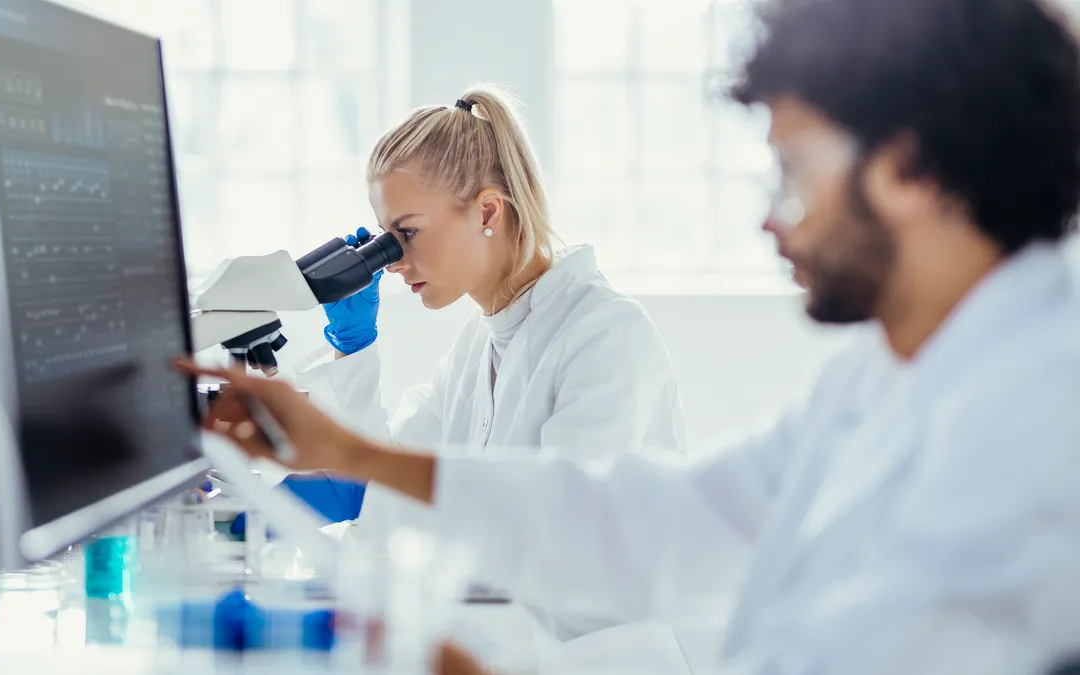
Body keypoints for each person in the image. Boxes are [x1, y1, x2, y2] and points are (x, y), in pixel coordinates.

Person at [183, 0, 1080, 672]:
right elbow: (666, 515)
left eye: (794, 171)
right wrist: (352, 452)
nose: (774, 221)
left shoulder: (1038, 414)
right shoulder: (886, 376)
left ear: (909, 171)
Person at [276, 84, 686, 650]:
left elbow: (556, 545)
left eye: (407, 234)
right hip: (503, 646)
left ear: (488, 211)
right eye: (385, 239)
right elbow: (387, 490)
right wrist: (355, 347)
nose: (392, 263)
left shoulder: (606, 335)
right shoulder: (480, 346)